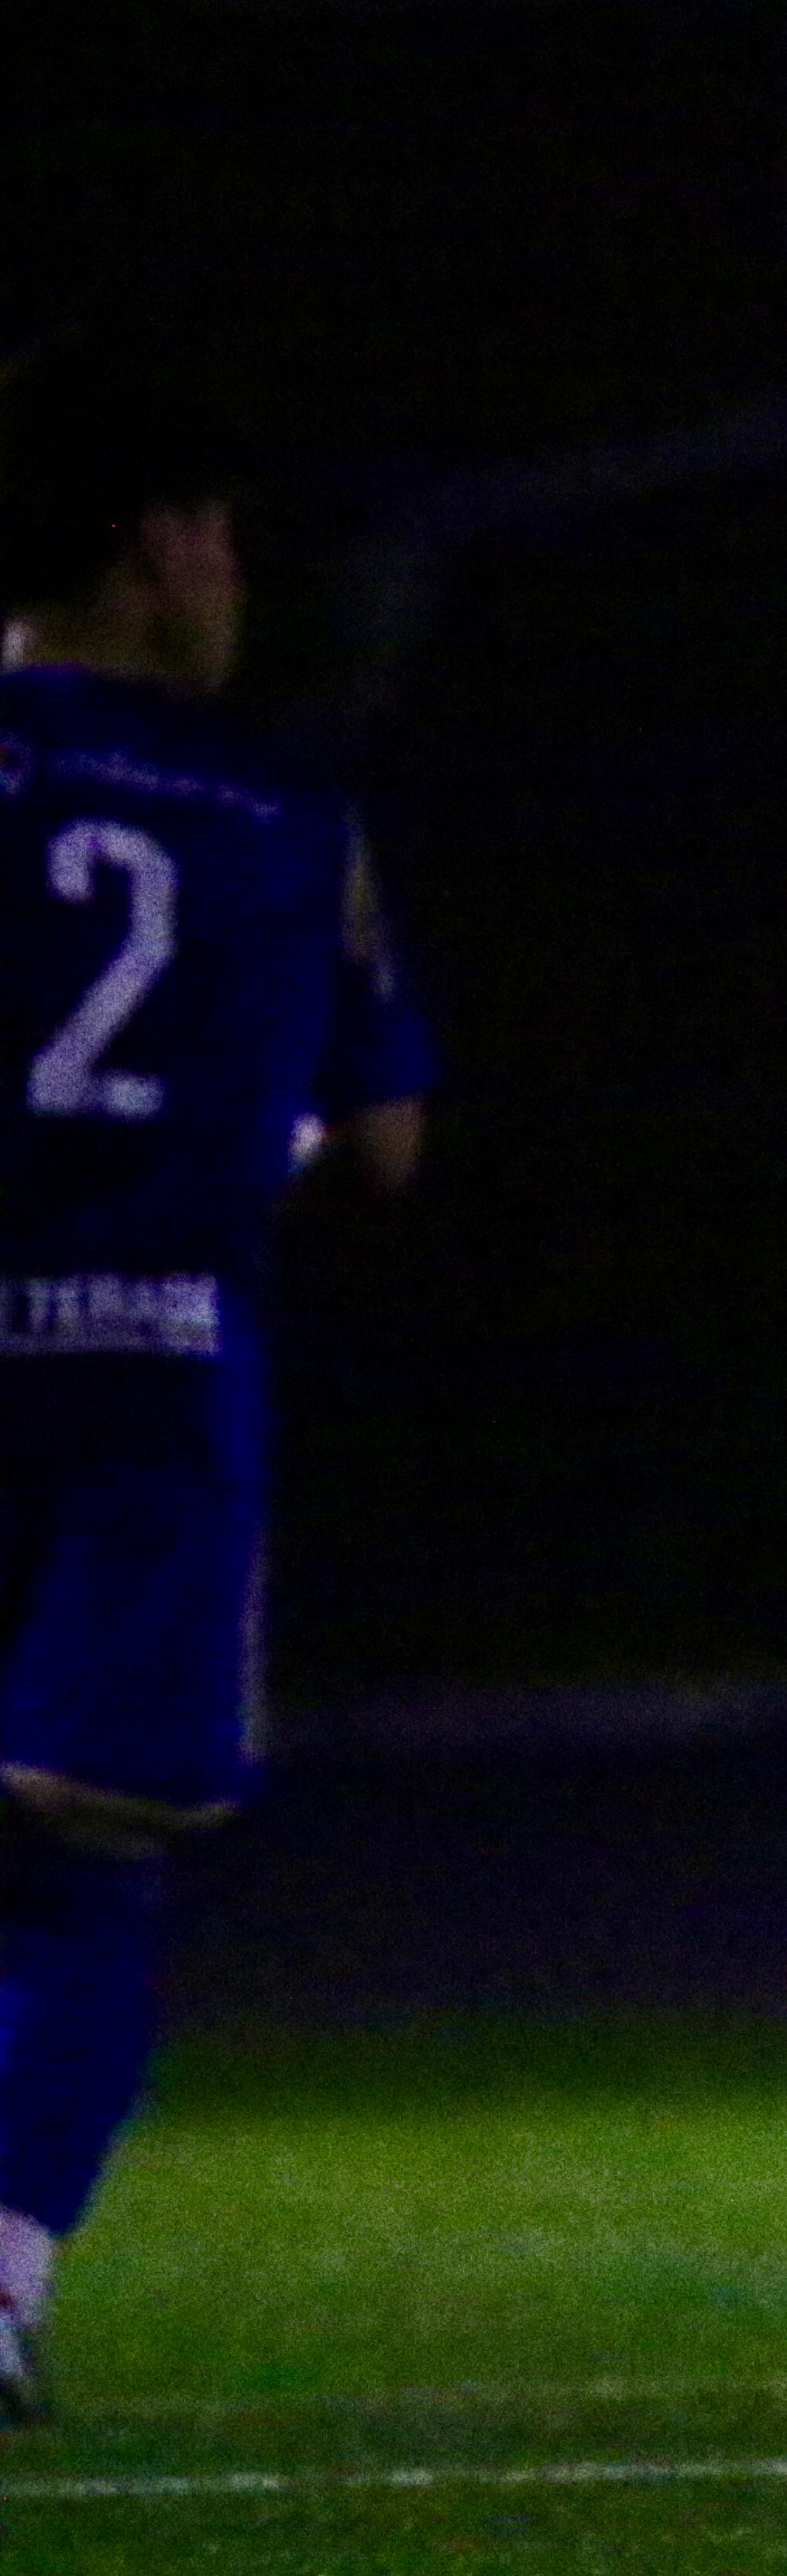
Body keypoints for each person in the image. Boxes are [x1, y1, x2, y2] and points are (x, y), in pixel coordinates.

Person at [0, 332, 430, 2418]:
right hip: (148, 1380)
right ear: (159, 546)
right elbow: (388, 1144)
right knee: (83, 1853)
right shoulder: (284, 811)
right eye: (222, 536)